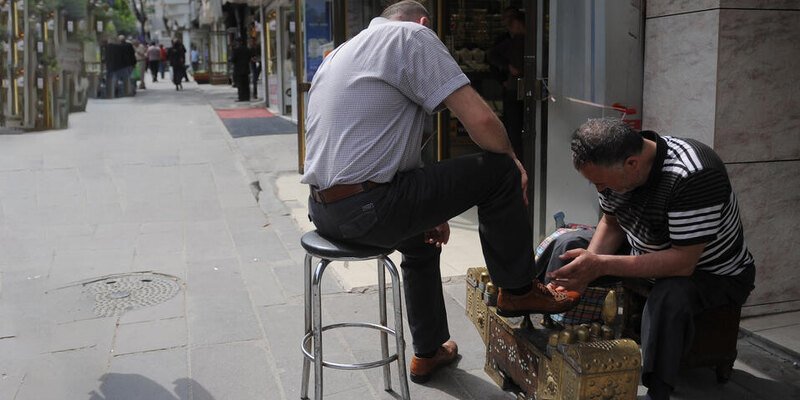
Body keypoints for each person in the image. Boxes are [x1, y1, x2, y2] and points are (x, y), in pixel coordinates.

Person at [301, 0, 579, 385]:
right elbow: (479, 119)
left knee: (420, 243)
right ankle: (517, 288)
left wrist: (430, 211)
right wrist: (513, 161)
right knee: (498, 170)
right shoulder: (412, 36)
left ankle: (429, 351)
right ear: (425, 23)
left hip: (325, 212)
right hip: (368, 208)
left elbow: (382, 152)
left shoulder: (343, 52)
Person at [548, 117, 756, 400]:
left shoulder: (693, 175)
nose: (599, 189)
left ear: (632, 163)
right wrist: (587, 264)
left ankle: (658, 390)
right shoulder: (616, 171)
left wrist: (601, 265)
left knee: (669, 295)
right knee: (568, 243)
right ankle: (554, 327)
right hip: (645, 250)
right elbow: (612, 223)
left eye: (601, 182)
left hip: (711, 272)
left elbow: (683, 263)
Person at [488, 8, 525, 161]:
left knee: (520, 125)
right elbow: (492, 57)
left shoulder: (527, 39)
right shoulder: (506, 41)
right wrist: (505, 74)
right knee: (513, 126)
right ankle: (515, 157)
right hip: (512, 88)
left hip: (522, 88)